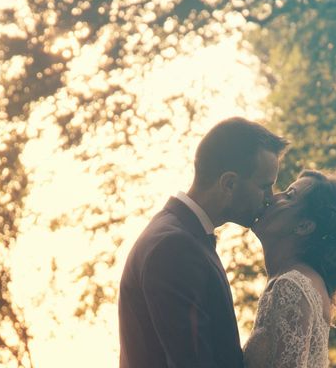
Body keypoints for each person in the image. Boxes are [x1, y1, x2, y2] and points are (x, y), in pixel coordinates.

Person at [118, 117, 288, 368]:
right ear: (229, 183)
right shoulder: (174, 247)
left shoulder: (180, 234)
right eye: (265, 186)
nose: (269, 199)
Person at [244, 169, 336, 368]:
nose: (274, 197)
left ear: (304, 226)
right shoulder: (304, 282)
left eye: (289, 195)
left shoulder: (292, 286)